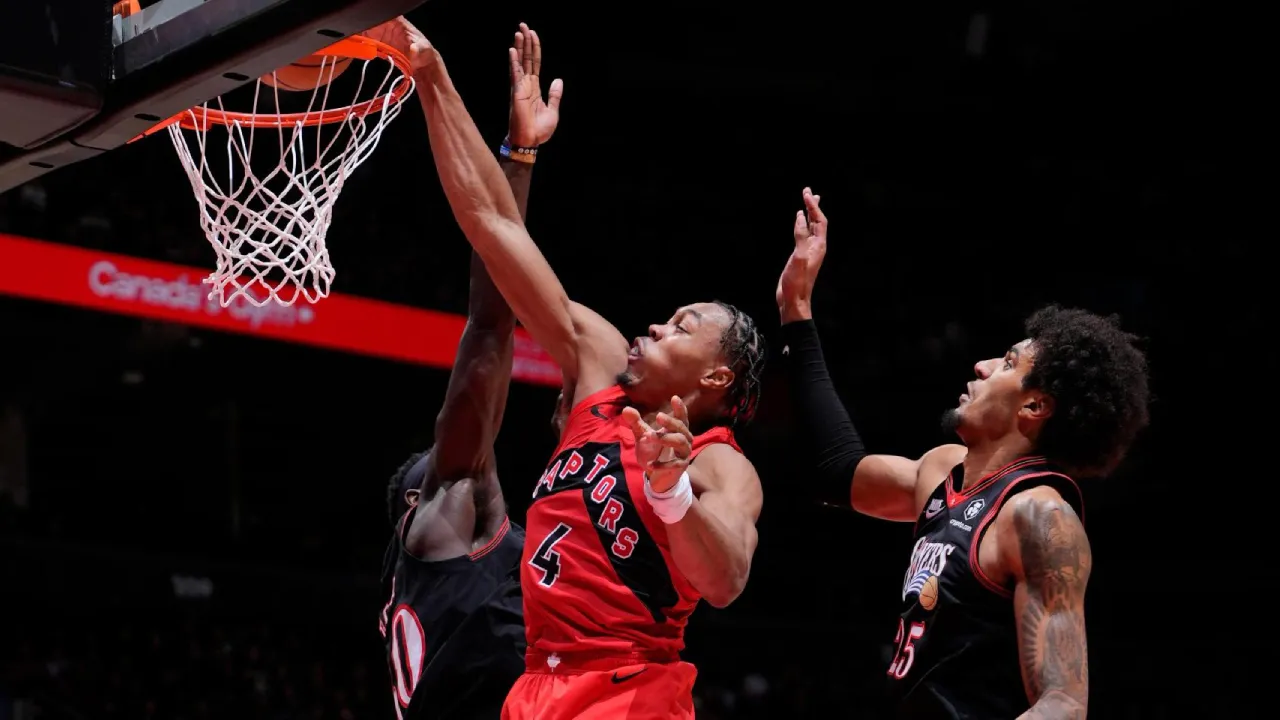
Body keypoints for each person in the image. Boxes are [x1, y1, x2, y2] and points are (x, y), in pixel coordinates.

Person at [372, 16, 768, 720]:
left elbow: (727, 579)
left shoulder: (718, 463)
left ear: (716, 378)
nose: (655, 324)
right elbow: (492, 231)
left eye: (683, 326)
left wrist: (672, 491)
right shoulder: (600, 374)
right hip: (534, 688)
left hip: (629, 688)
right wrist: (435, 77)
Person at [775, 189, 1150, 719]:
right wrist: (797, 309)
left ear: (1036, 404)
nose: (980, 365)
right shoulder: (942, 472)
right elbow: (833, 472)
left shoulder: (1040, 516)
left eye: (1006, 363)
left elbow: (1064, 703)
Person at [374, 23, 562, 720]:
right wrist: (519, 155)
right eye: (442, 452)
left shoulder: (432, 566)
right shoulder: (440, 516)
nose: (461, 450)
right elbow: (489, 323)